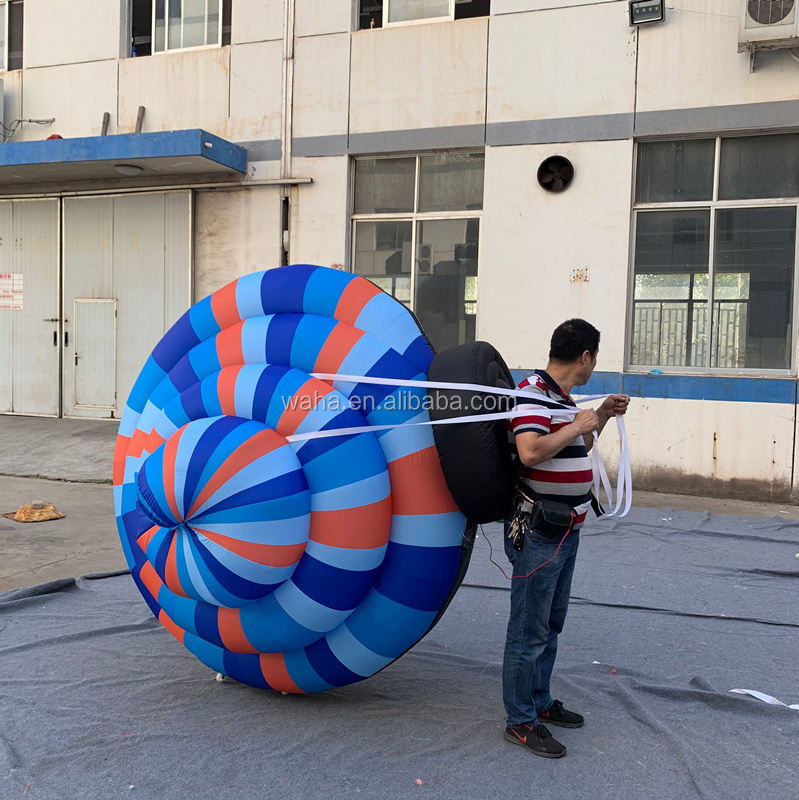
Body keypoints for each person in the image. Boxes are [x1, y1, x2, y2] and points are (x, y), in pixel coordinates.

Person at [502, 318, 629, 758]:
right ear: (586, 357)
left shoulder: (560, 398)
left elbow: (579, 448)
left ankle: (538, 702)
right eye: (596, 359)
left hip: (566, 528)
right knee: (528, 629)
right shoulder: (532, 395)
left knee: (549, 625)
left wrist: (603, 417)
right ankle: (520, 720)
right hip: (540, 531)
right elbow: (531, 451)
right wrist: (577, 425)